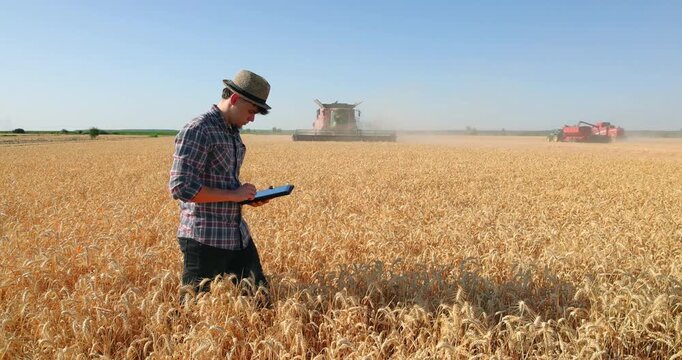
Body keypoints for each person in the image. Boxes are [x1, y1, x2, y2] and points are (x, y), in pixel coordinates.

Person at [169, 69, 272, 303]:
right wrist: (233, 194)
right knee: (193, 310)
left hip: (237, 236)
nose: (252, 118)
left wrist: (247, 197)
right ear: (234, 99)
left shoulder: (232, 132)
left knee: (261, 301)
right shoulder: (198, 129)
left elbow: (224, 182)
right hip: (204, 239)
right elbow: (181, 187)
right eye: (250, 111)